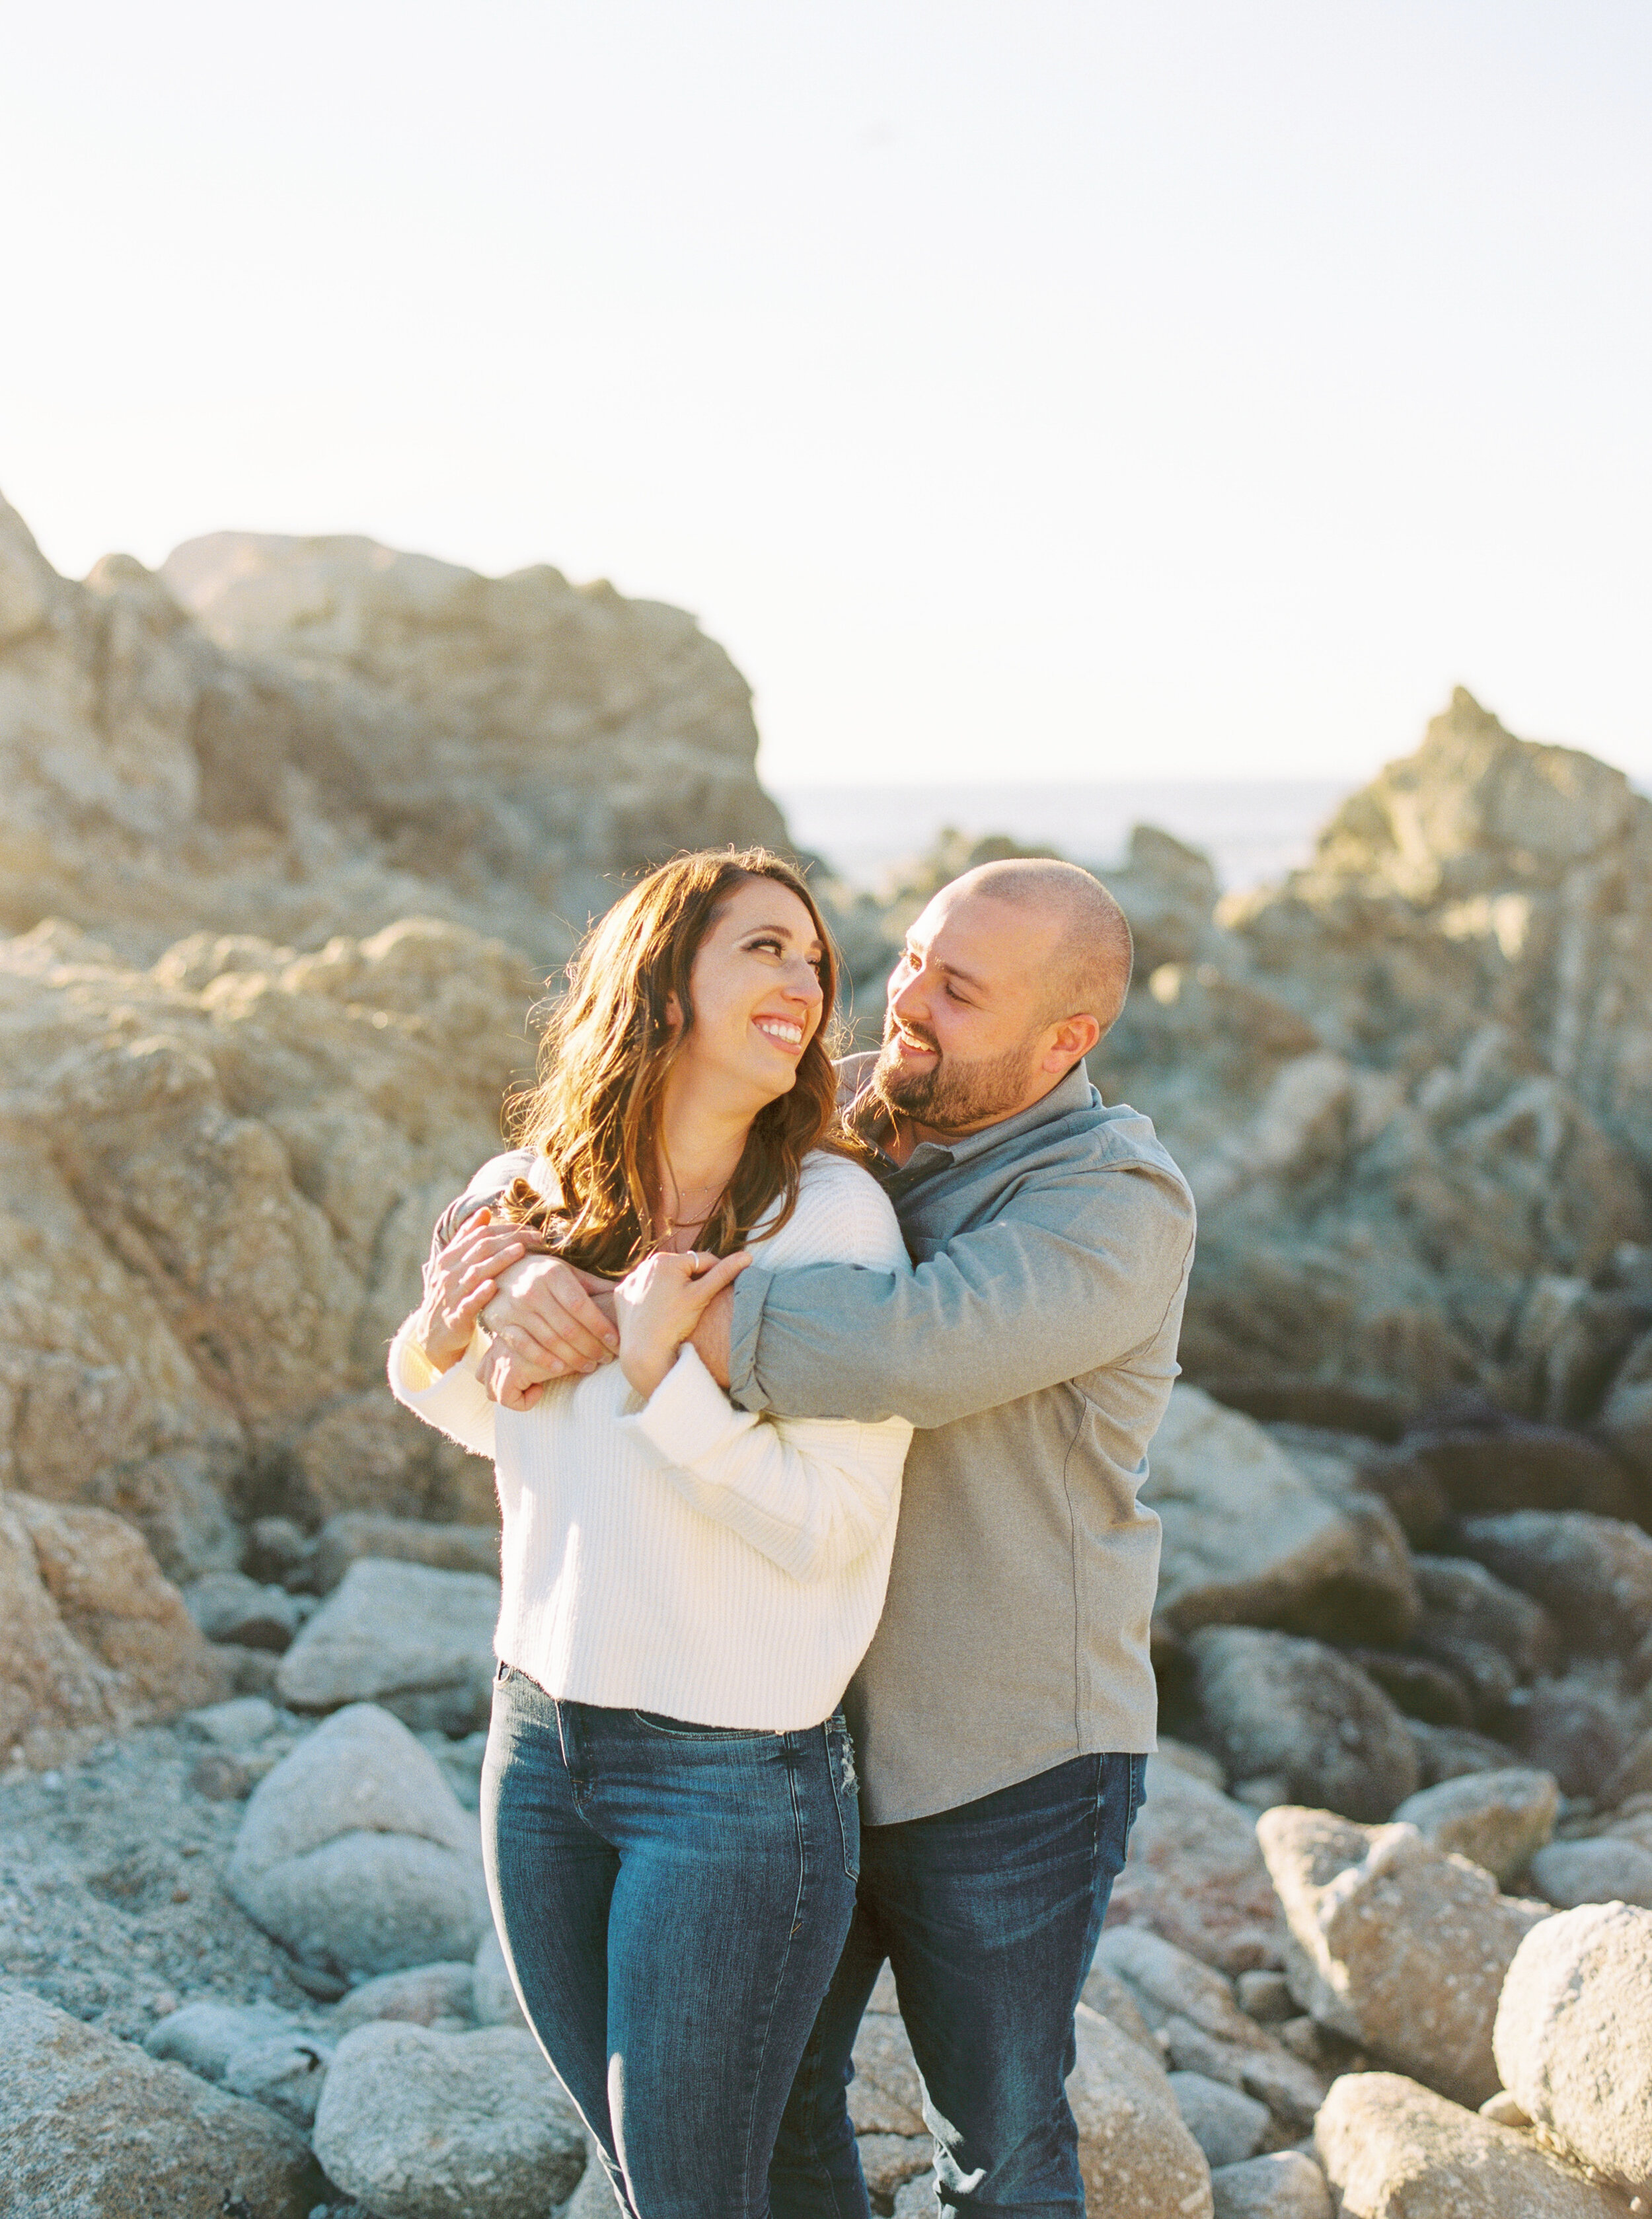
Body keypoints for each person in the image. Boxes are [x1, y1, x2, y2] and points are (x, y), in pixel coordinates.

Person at [460, 855, 1197, 2219]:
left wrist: (611, 1299)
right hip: (792, 1730)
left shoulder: (1111, 1198)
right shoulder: (849, 1113)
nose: (902, 999)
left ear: (1065, 1039)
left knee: (994, 2138)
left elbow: (906, 1347)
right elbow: (618, 1172)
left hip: (1003, 1750)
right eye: (909, 956)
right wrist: (516, 1259)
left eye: (956, 989)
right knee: (773, 2096)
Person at [387, 848, 913, 2219]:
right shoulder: (528, 1186)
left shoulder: (830, 1222)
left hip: (732, 1787)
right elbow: (488, 1419)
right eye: (762, 948)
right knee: (667, 2175)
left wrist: (652, 1371)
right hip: (536, 1753)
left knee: (687, 2195)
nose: (804, 980)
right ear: (661, 980)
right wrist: (457, 1324)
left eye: (814, 958)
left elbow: (829, 1529)